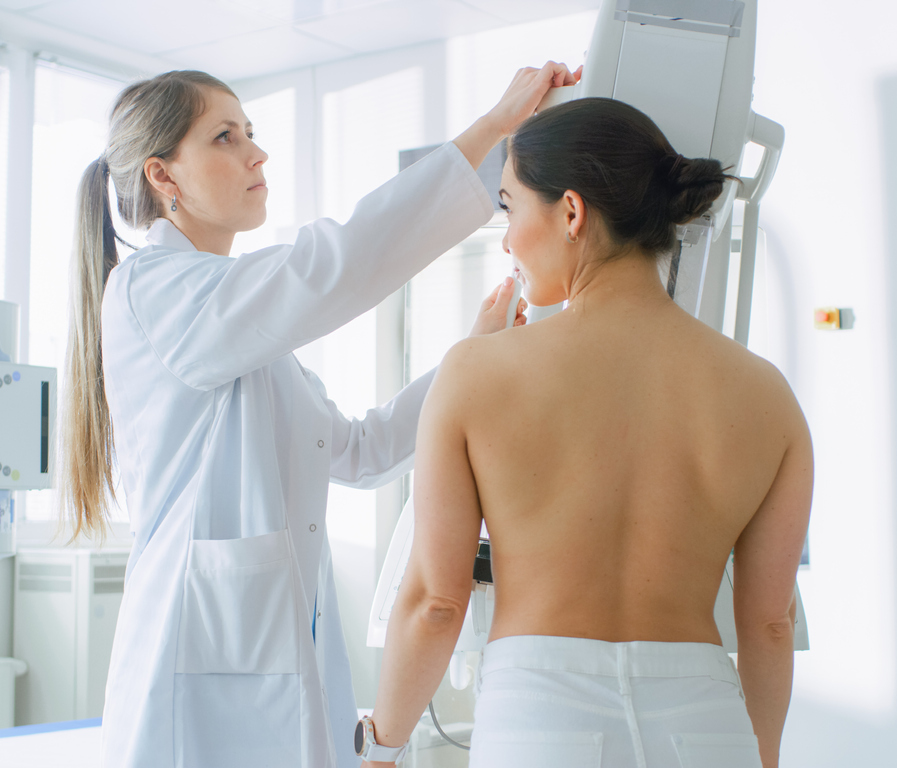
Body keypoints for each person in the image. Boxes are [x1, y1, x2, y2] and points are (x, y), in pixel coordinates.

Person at [59, 65, 574, 768]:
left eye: (250, 132)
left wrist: (472, 356)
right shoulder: (157, 290)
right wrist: (493, 127)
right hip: (190, 683)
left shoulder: (237, 326)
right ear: (163, 175)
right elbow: (332, 263)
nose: (257, 153)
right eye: (225, 136)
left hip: (265, 664)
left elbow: (361, 451)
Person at [363, 97, 813, 768]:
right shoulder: (766, 393)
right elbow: (771, 625)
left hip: (542, 721)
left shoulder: (476, 372)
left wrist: (380, 749)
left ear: (570, 212)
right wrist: (759, 756)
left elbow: (435, 602)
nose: (507, 240)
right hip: (706, 726)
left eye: (510, 208)